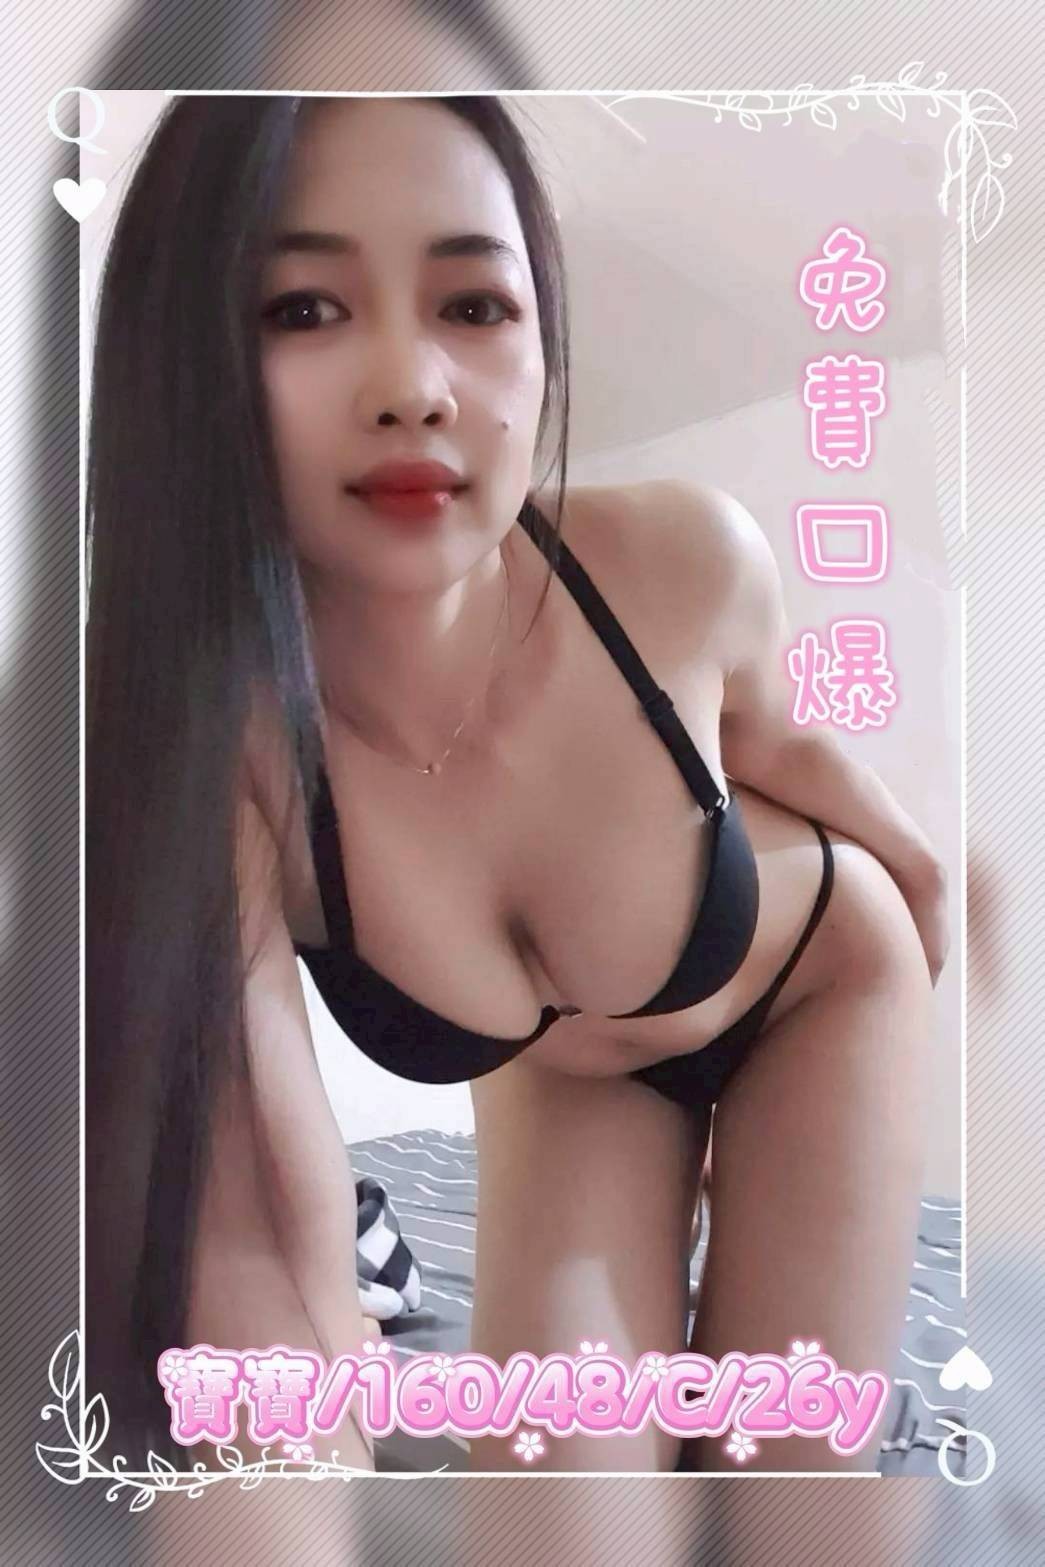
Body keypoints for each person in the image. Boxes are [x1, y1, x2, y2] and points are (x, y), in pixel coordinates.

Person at [85, 93, 950, 1477]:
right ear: (188, 365)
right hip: (573, 1081)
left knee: (785, 1492)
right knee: (565, 1528)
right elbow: (272, 1223)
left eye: (475, 304)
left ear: (545, 346)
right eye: (303, 308)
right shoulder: (213, 745)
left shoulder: (678, 562)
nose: (411, 385)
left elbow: (790, 757)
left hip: (813, 987)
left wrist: (923, 907)